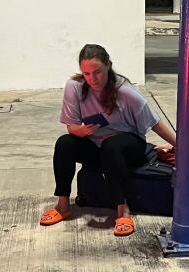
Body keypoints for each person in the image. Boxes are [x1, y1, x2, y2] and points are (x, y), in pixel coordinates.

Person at [40, 44, 177, 237]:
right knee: (65, 143)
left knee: (111, 146)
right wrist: (81, 130)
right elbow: (71, 127)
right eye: (86, 74)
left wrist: (182, 146)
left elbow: (155, 123)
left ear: (108, 66)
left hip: (128, 148)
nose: (92, 79)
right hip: (96, 146)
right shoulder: (74, 87)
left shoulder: (125, 91)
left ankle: (123, 211)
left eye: (97, 72)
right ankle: (62, 205)